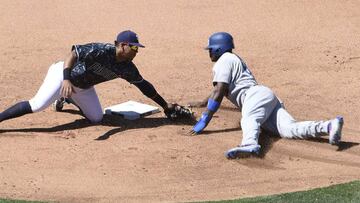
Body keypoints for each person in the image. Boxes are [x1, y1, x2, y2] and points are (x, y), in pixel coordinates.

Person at [188, 32, 344, 159]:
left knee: (248, 119)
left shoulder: (224, 60)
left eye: (211, 49)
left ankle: (249, 143)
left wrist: (205, 118)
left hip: (254, 96)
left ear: (218, 49)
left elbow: (219, 90)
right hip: (263, 97)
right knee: (288, 129)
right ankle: (329, 126)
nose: (209, 52)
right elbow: (219, 89)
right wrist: (203, 103)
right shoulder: (230, 59)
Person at [0, 30, 177, 125]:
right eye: (135, 47)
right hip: (62, 76)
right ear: (123, 45)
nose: (137, 51)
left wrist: (165, 105)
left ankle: (68, 98)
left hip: (83, 88)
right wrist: (66, 79)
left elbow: (144, 85)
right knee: (37, 105)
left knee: (96, 119)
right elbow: (72, 54)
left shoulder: (128, 68)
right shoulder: (101, 50)